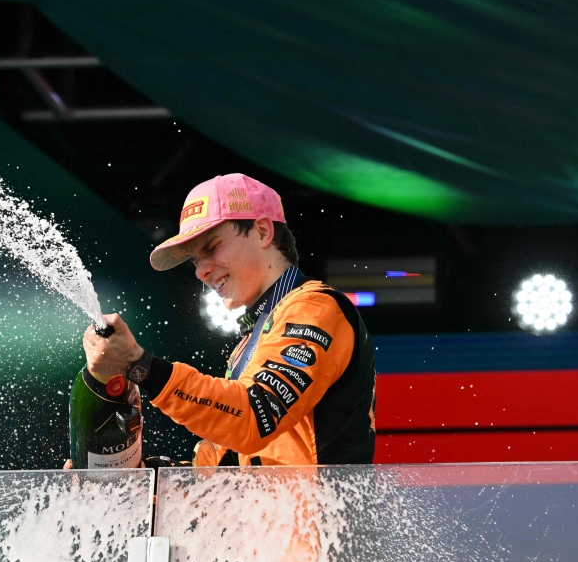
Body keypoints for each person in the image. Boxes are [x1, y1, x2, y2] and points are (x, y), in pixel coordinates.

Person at [80, 173, 376, 467]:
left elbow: (252, 418)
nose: (200, 272)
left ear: (263, 232)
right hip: (281, 500)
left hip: (325, 501)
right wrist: (148, 476)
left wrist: (142, 366)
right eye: (195, 260)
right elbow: (231, 467)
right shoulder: (255, 336)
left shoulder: (314, 307)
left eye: (211, 248)